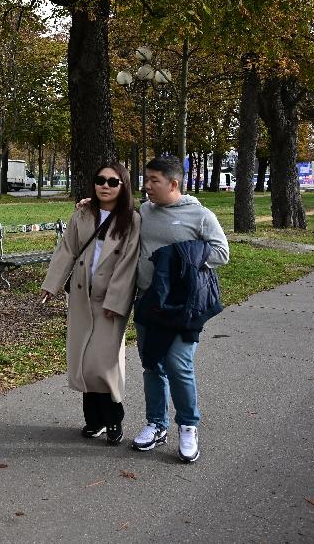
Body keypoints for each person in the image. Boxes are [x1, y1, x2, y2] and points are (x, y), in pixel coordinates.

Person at [128, 156, 229, 463]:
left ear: (173, 184)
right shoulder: (145, 211)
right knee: (152, 364)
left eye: (153, 181)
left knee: (178, 365)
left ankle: (188, 425)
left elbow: (222, 253)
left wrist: (179, 257)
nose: (147, 186)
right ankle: (156, 425)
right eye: (146, 179)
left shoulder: (199, 215)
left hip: (184, 307)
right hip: (147, 302)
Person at [40, 163, 141, 445]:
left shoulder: (131, 219)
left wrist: (116, 301)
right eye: (100, 180)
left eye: (112, 181)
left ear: (123, 186)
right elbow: (67, 250)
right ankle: (93, 420)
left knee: (104, 364)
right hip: (81, 297)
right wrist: (52, 285)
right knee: (85, 361)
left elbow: (128, 264)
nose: (105, 186)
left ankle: (113, 420)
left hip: (110, 301)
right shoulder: (83, 214)